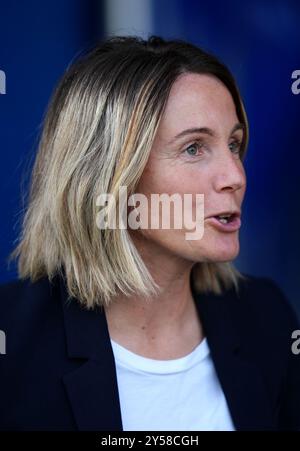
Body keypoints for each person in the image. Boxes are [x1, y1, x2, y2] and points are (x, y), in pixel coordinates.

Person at [0, 35, 299, 431]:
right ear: (108, 175)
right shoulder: (14, 343)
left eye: (234, 144)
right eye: (194, 148)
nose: (236, 176)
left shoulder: (266, 317)